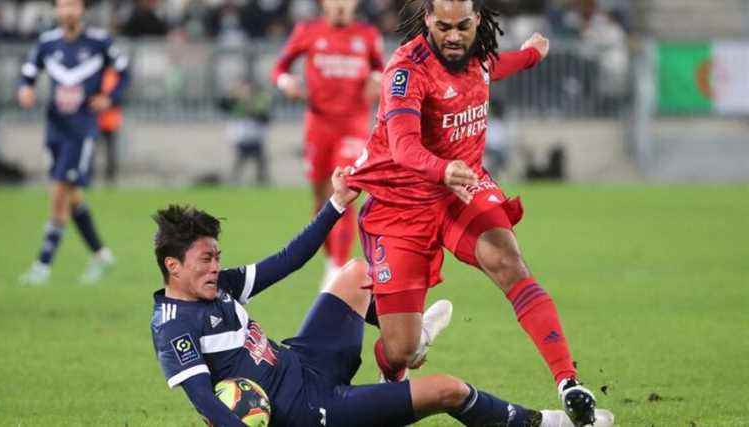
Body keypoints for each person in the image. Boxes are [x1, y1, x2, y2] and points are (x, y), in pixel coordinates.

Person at [149, 169, 614, 427]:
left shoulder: (218, 286)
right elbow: (204, 403)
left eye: (216, 257)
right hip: (311, 410)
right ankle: (546, 423)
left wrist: (336, 205)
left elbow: (289, 259)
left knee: (356, 273)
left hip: (303, 360)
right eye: (205, 260)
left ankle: (406, 341)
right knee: (448, 390)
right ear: (173, 266)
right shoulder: (175, 328)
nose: (215, 268)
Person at [345, 0, 599, 424]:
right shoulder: (406, 71)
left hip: (459, 192)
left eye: (462, 25)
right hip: (400, 205)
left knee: (507, 259)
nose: (453, 35)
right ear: (427, 19)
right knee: (400, 349)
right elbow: (404, 147)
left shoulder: (476, 54)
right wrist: (442, 168)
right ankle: (400, 366)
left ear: (477, 20)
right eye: (443, 26)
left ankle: (569, 382)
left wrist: (533, 54)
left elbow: (494, 67)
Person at [270, 0, 385, 285]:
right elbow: (279, 68)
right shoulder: (307, 31)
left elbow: (382, 68)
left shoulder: (368, 35)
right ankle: (330, 261)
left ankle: (336, 268)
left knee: (345, 191)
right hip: (318, 126)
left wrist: (375, 79)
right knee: (322, 199)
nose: (341, 7)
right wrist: (287, 83)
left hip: (353, 125)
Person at [17, 0, 130, 285]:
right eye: (63, 5)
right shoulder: (47, 42)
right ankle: (102, 256)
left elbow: (125, 71)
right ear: (56, 10)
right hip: (55, 129)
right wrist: (25, 90)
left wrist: (109, 98)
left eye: (73, 5)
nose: (68, 10)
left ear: (82, 9)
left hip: (82, 130)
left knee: (58, 194)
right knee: (72, 197)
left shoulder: (99, 42)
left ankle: (42, 267)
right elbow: (29, 71)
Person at [97, 68, 124, 185]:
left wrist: (109, 101)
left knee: (111, 152)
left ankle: (110, 178)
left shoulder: (115, 75)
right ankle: (89, 177)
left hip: (111, 120)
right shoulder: (98, 73)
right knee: (92, 151)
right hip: (97, 119)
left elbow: (120, 96)